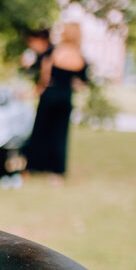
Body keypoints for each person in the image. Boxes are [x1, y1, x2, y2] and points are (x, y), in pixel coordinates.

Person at [22, 22, 87, 183]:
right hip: (65, 97)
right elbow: (82, 83)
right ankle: (56, 173)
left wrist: (39, 88)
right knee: (60, 134)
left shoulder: (53, 52)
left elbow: (44, 74)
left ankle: (31, 168)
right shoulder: (80, 57)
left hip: (50, 94)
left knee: (40, 131)